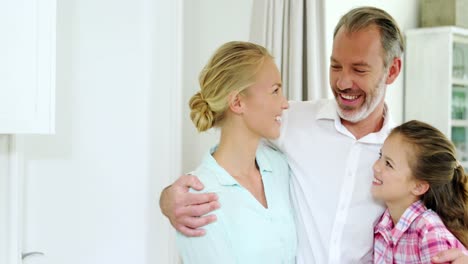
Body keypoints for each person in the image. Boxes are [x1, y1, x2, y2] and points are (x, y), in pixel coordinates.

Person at [160, 6, 468, 263]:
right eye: (335, 66)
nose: (343, 82)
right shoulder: (289, 120)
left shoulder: (402, 158)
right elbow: (232, 147)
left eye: (359, 70)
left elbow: (444, 213)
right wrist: (168, 199)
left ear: (392, 70)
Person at [175, 41, 296, 263]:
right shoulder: (199, 200)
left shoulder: (279, 166)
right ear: (238, 102)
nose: (285, 103)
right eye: (275, 91)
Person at [372, 120, 468, 263]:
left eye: (388, 164)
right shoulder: (382, 226)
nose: (376, 167)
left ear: (419, 186)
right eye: (380, 156)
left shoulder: (429, 233)